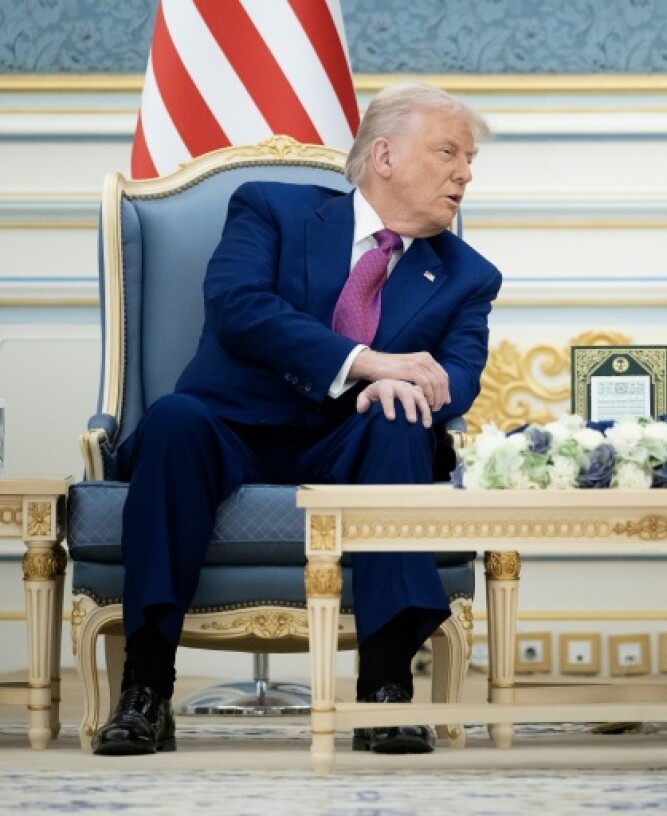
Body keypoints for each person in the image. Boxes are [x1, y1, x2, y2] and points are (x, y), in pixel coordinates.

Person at [92, 82, 502, 756]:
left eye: (470, 159)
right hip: (232, 427)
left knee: (403, 419)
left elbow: (453, 379)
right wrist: (366, 364)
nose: (465, 172)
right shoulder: (273, 209)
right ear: (386, 156)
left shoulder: (466, 275)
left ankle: (386, 692)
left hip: (356, 445)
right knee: (172, 420)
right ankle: (145, 689)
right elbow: (240, 307)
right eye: (450, 152)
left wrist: (406, 388)